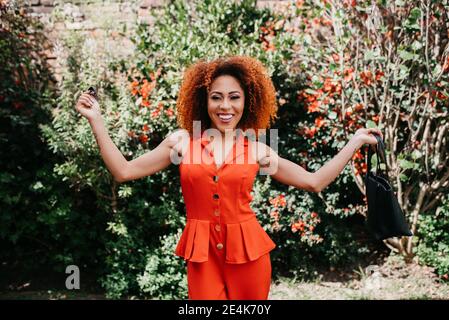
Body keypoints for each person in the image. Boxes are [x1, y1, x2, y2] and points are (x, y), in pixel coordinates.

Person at [75, 55, 382, 300]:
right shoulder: (182, 141)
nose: (225, 106)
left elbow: (314, 181)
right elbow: (124, 170)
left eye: (234, 97)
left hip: (249, 257)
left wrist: (354, 141)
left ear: (247, 101)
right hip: (202, 256)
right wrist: (96, 120)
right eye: (216, 97)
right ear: (203, 100)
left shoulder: (258, 149)